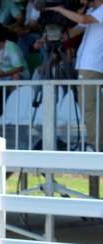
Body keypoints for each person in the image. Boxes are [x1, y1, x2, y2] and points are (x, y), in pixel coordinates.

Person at [45, 0, 103, 150]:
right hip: (88, 66)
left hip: (91, 66)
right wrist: (51, 35)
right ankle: (97, 144)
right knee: (93, 107)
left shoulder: (100, 10)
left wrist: (60, 9)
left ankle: (95, 146)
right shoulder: (93, 13)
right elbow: (75, 31)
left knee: (89, 107)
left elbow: (83, 20)